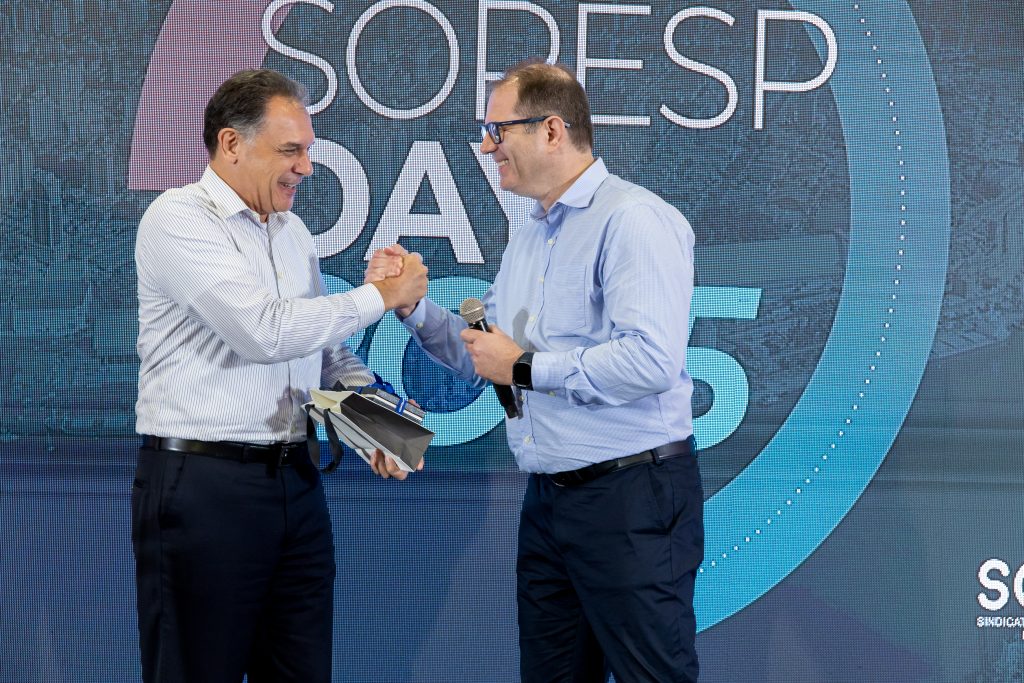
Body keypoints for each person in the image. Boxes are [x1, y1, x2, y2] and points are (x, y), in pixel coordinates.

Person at [368, 60, 703, 682]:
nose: (486, 147)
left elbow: (651, 360)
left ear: (552, 130)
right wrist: (412, 308)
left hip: (631, 498)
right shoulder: (529, 237)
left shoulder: (633, 219)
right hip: (550, 502)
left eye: (497, 131)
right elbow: (484, 355)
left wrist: (523, 368)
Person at [132, 68, 426, 683]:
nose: (306, 167)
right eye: (291, 150)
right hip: (205, 489)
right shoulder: (178, 220)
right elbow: (264, 333)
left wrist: (378, 427)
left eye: (308, 150)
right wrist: (380, 295)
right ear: (231, 144)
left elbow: (322, 356)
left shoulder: (293, 233)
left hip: (296, 484)